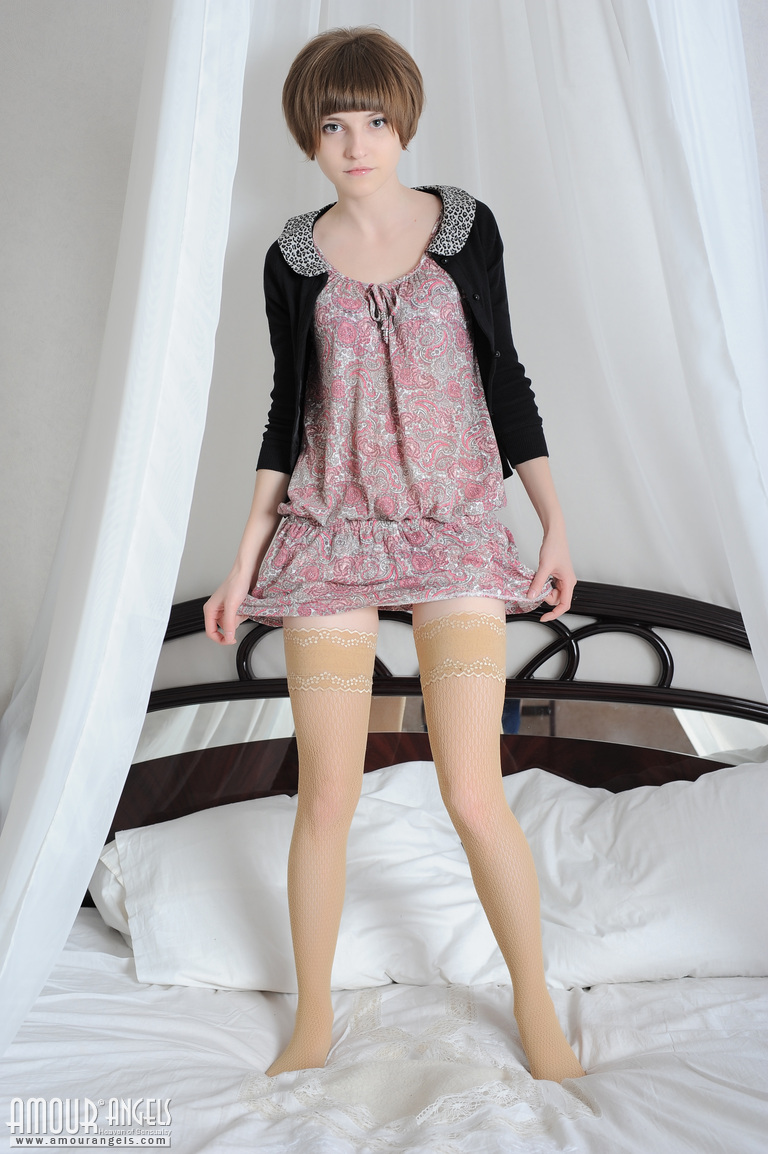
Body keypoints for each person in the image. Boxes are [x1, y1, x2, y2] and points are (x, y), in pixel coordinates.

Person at [204, 26, 584, 1083]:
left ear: (404, 122)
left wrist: (552, 521)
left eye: (374, 120)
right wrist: (244, 562)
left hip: (455, 529)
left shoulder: (465, 228)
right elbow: (287, 411)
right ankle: (314, 1019)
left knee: (472, 789)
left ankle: (537, 1007)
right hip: (329, 535)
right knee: (327, 794)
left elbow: (505, 376)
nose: (357, 143)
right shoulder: (291, 256)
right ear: (308, 138)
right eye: (333, 124)